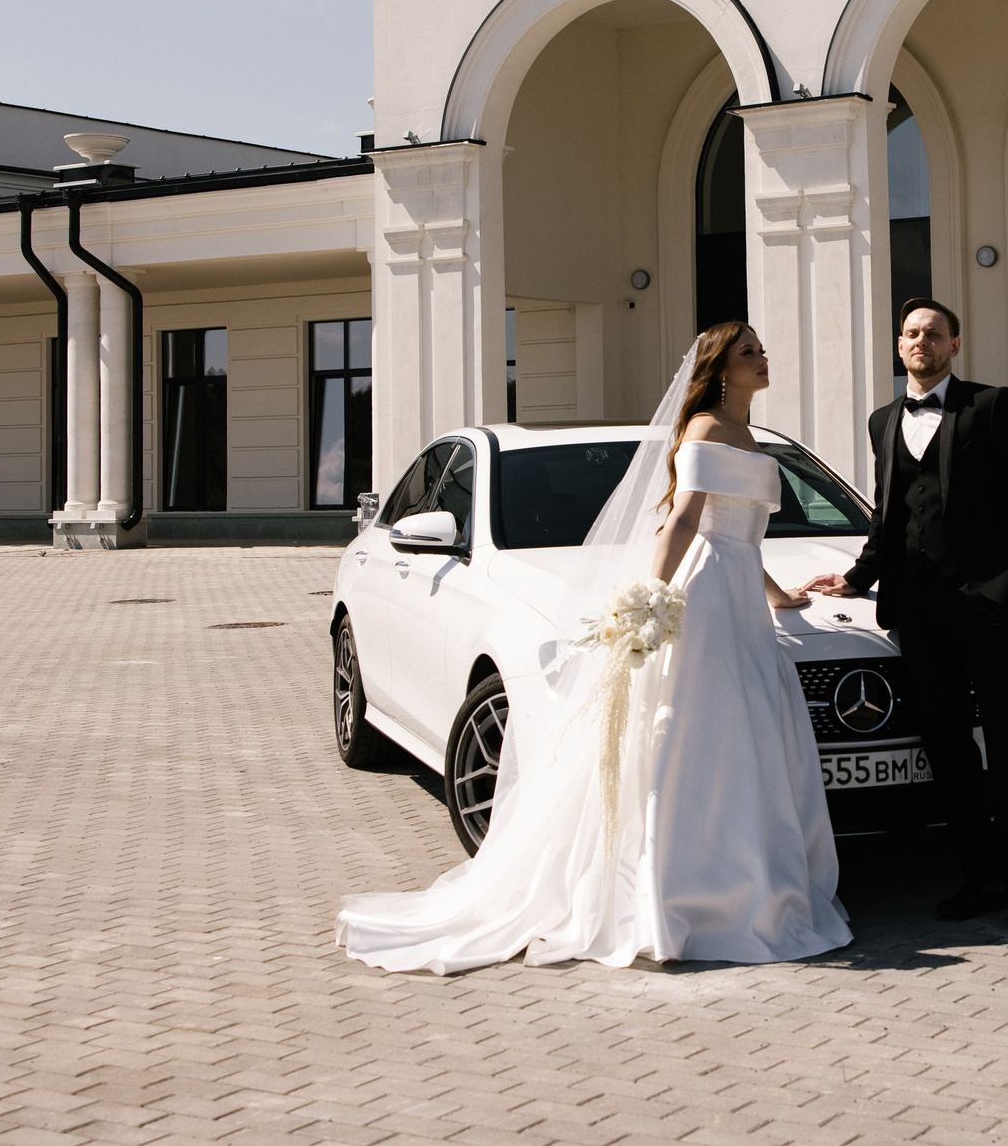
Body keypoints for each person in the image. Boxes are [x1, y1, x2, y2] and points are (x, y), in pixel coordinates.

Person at [335, 322, 849, 973]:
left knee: (740, 734)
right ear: (721, 369)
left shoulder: (747, 433)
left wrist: (779, 595)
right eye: (748, 352)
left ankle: (747, 882)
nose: (762, 357)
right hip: (709, 597)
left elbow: (742, 537)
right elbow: (686, 520)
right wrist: (650, 599)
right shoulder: (705, 429)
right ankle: (689, 894)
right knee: (702, 733)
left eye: (760, 349)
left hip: (741, 593)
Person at [802, 297, 1008, 937]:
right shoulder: (883, 420)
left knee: (1007, 748)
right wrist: (856, 579)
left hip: (986, 605)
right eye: (912, 333)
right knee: (946, 749)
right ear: (899, 346)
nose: (921, 341)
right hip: (916, 611)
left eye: (934, 333)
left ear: (954, 345)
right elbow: (890, 515)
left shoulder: (991, 405)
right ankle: (980, 880)